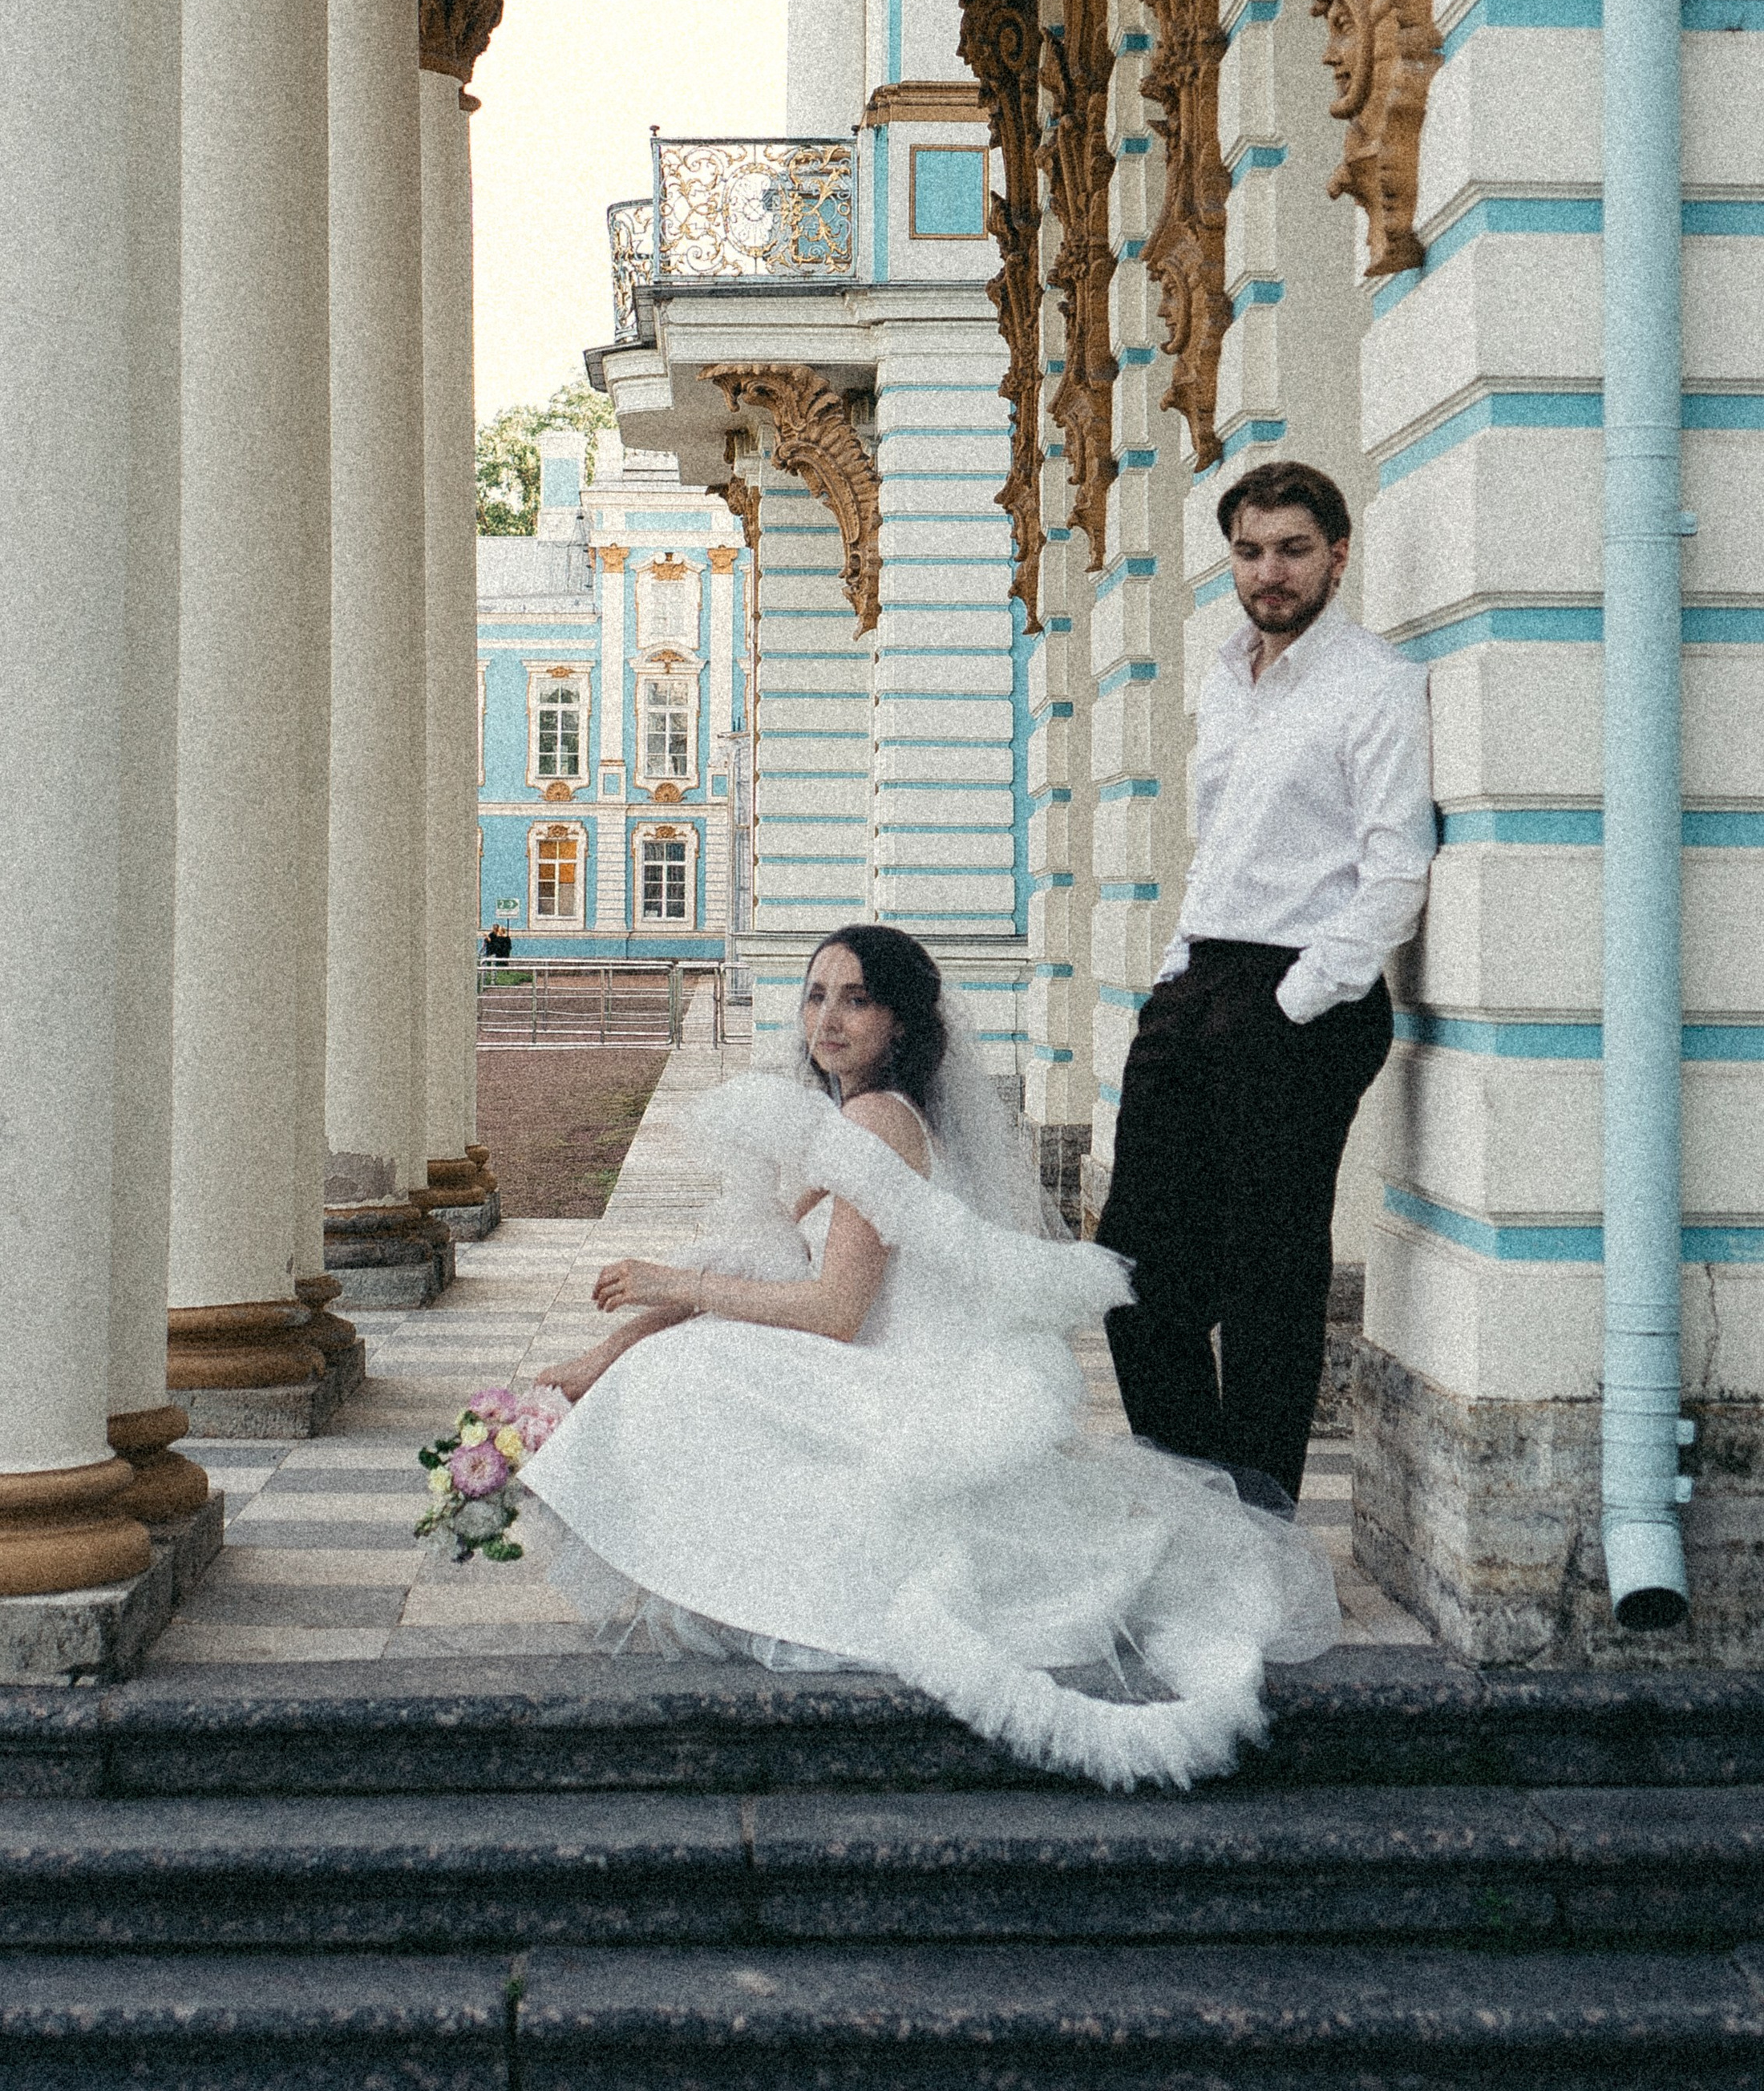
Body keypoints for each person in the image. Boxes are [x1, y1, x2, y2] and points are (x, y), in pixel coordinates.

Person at [516, 922, 1339, 1789]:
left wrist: (661, 1284)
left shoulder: (875, 1120)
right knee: (683, 1357)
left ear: (901, 1023)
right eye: (816, 994)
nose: (828, 1020)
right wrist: (609, 1347)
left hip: (904, 1378)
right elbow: (751, 1262)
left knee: (691, 1374)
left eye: (857, 999)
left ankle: (745, 1581)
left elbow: (833, 1314)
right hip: (883, 1357)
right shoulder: (853, 1117)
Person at [1096, 458, 1435, 1515]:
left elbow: (1396, 873)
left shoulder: (1373, 686)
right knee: (1130, 1275)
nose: (1270, 572)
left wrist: (1298, 998)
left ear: (1338, 555)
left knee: (1268, 1283)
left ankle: (1258, 1528)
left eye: (1293, 549)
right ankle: (1197, 1501)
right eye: (1250, 551)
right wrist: (1174, 976)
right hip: (1201, 980)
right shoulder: (1224, 674)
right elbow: (1221, 847)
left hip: (1305, 1000)